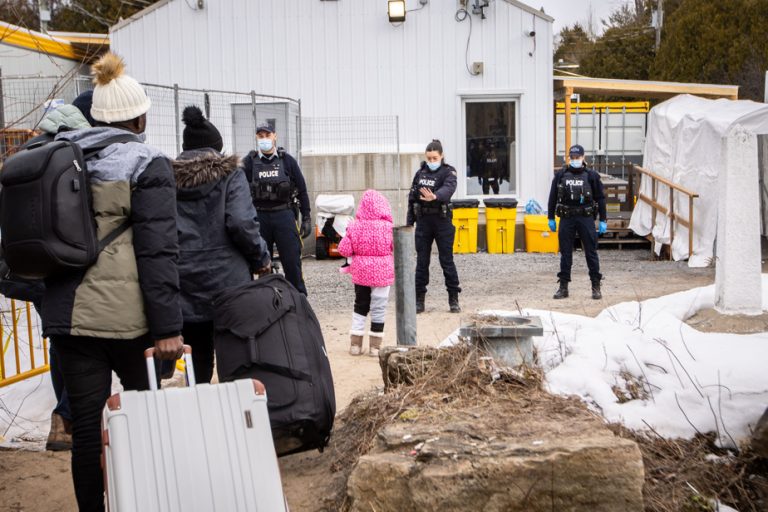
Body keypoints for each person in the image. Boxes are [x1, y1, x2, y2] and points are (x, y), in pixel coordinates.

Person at [45, 52, 183, 512]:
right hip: (131, 324)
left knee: (86, 429)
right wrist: (168, 329)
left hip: (69, 320)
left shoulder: (61, 159)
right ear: (140, 117)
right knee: (143, 421)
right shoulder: (148, 163)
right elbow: (158, 252)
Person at [2, 90, 97, 451]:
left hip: (22, 267)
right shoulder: (67, 156)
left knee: (62, 340)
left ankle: (65, 421)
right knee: (71, 342)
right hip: (59, 268)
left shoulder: (25, 153)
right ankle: (67, 420)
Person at [172, 105, 271, 383]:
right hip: (229, 283)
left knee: (197, 357)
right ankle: (234, 417)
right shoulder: (230, 174)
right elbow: (241, 222)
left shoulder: (167, 178)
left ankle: (200, 410)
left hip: (186, 283)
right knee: (235, 354)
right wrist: (261, 260)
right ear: (217, 148)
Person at [242, 125, 311, 295]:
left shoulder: (287, 160)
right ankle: (264, 303)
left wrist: (307, 217)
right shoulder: (249, 162)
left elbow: (302, 190)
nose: (264, 138)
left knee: (292, 263)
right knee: (260, 264)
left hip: (284, 215)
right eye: (260, 135)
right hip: (259, 218)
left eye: (267, 135)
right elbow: (238, 193)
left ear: (275, 136)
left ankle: (298, 301)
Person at [337, 189, 395, 357]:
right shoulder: (388, 227)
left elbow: (344, 249)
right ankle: (375, 347)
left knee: (360, 305)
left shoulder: (355, 226)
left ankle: (355, 345)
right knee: (379, 307)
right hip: (383, 273)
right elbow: (397, 248)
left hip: (361, 273)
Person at [407, 139, 461, 314]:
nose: (431, 161)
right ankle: (419, 300)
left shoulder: (448, 172)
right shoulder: (420, 173)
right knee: (422, 262)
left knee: (446, 260)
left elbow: (449, 189)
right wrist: (410, 222)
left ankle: (453, 298)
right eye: (429, 158)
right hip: (423, 221)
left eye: (434, 158)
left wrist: (435, 196)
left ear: (441, 156)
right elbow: (412, 198)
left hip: (442, 220)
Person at [547, 144, 607, 300]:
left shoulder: (592, 176)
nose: (575, 160)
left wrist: (603, 219)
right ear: (569, 158)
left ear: (583, 157)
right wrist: (551, 218)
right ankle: (563, 287)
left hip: (586, 218)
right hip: (567, 218)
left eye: (577, 157)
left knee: (591, 252)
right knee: (566, 254)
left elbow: (600, 199)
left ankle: (596, 286)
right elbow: (552, 197)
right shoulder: (561, 175)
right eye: (572, 157)